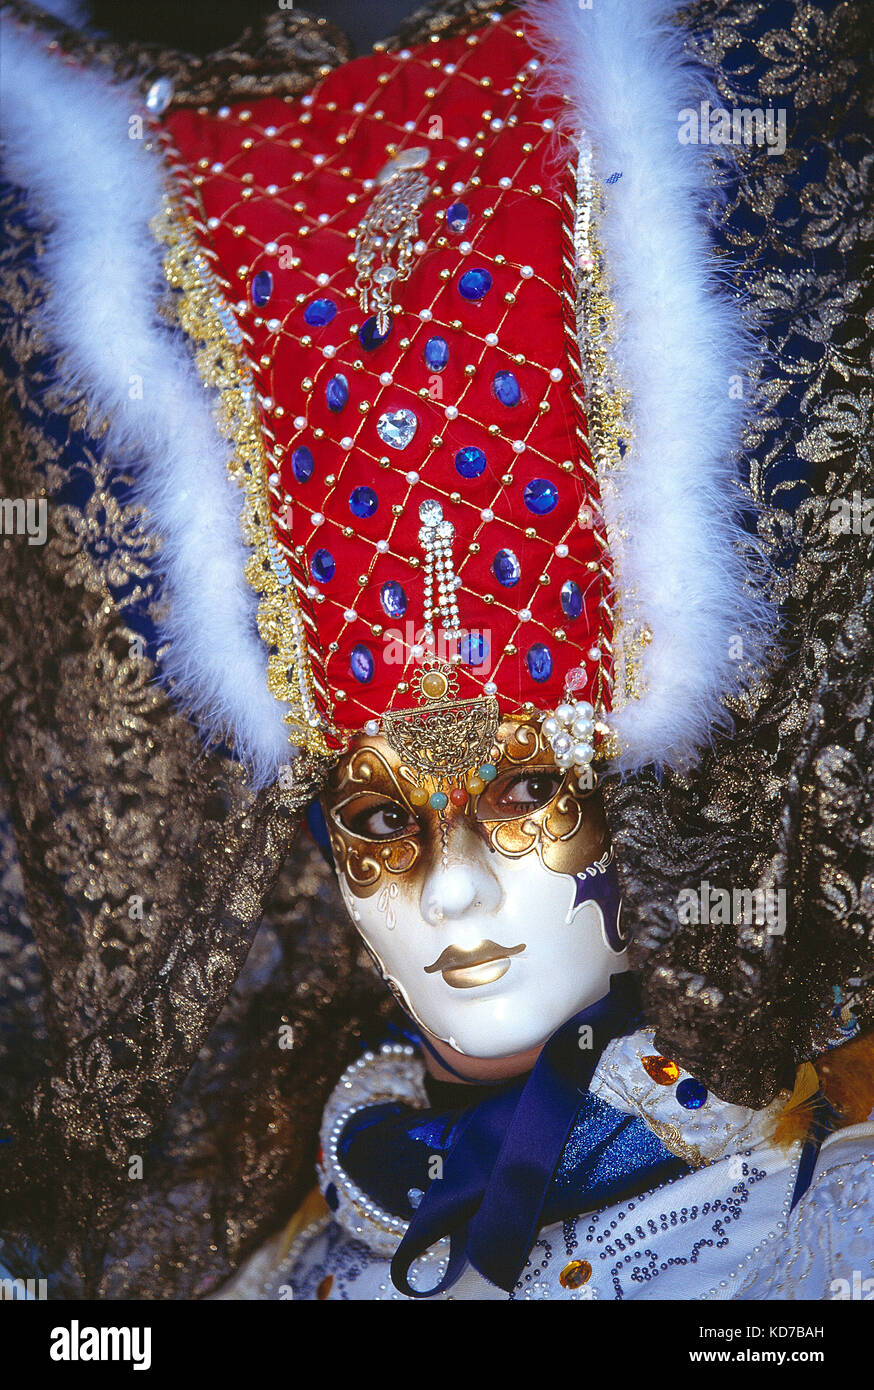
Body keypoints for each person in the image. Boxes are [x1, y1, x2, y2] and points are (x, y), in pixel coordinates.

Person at [0, 0, 871, 1301]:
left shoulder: (831, 1246)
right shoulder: (246, 1268)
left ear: (651, 814)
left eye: (526, 791)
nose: (450, 897)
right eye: (376, 819)